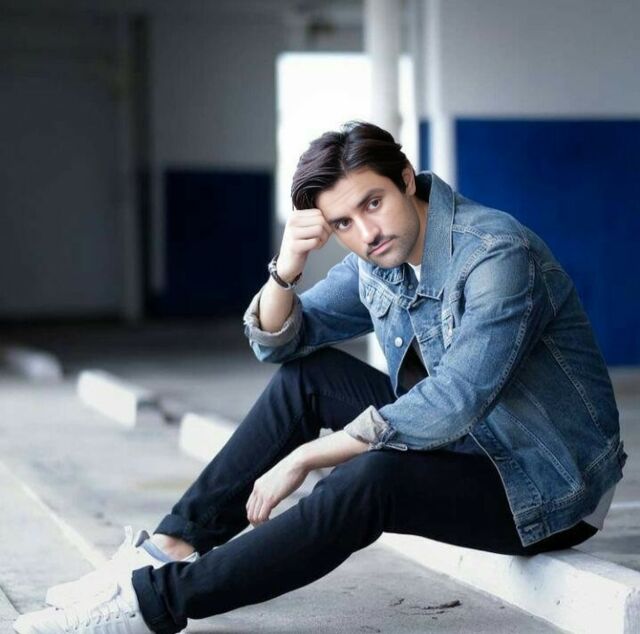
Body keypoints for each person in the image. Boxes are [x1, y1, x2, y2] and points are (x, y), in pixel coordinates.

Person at [15, 121, 627, 634]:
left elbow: (456, 400)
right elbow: (284, 343)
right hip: (470, 447)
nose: (367, 233)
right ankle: (164, 549)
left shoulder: (495, 253)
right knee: (308, 378)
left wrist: (308, 455)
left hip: (546, 487)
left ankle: (153, 602)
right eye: (343, 224)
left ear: (405, 179)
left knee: (371, 477)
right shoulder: (378, 260)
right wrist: (286, 269)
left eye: (373, 203)